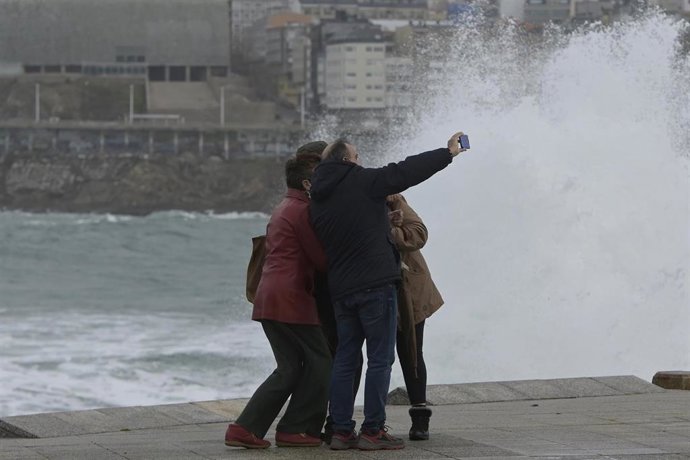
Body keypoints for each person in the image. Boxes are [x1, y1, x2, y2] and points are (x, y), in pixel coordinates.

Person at [309, 131, 468, 451]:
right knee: (380, 360)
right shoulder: (363, 181)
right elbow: (405, 170)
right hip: (375, 286)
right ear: (345, 160)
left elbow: (351, 228)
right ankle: (372, 431)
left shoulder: (318, 198)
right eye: (356, 157)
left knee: (346, 359)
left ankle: (340, 430)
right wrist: (447, 153)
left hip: (342, 289)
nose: (359, 161)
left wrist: (385, 224)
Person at [224, 149, 331, 449]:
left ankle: (246, 428)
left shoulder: (284, 206)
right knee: (321, 362)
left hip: (270, 296)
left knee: (290, 367)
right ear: (309, 184)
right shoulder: (302, 211)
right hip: (291, 298)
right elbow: (321, 259)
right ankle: (293, 428)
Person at [386, 193, 444, 441]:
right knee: (365, 355)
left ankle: (420, 417)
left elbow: (418, 234)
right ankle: (346, 422)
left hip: (408, 288)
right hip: (370, 286)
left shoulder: (393, 200)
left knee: (411, 351)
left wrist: (388, 230)